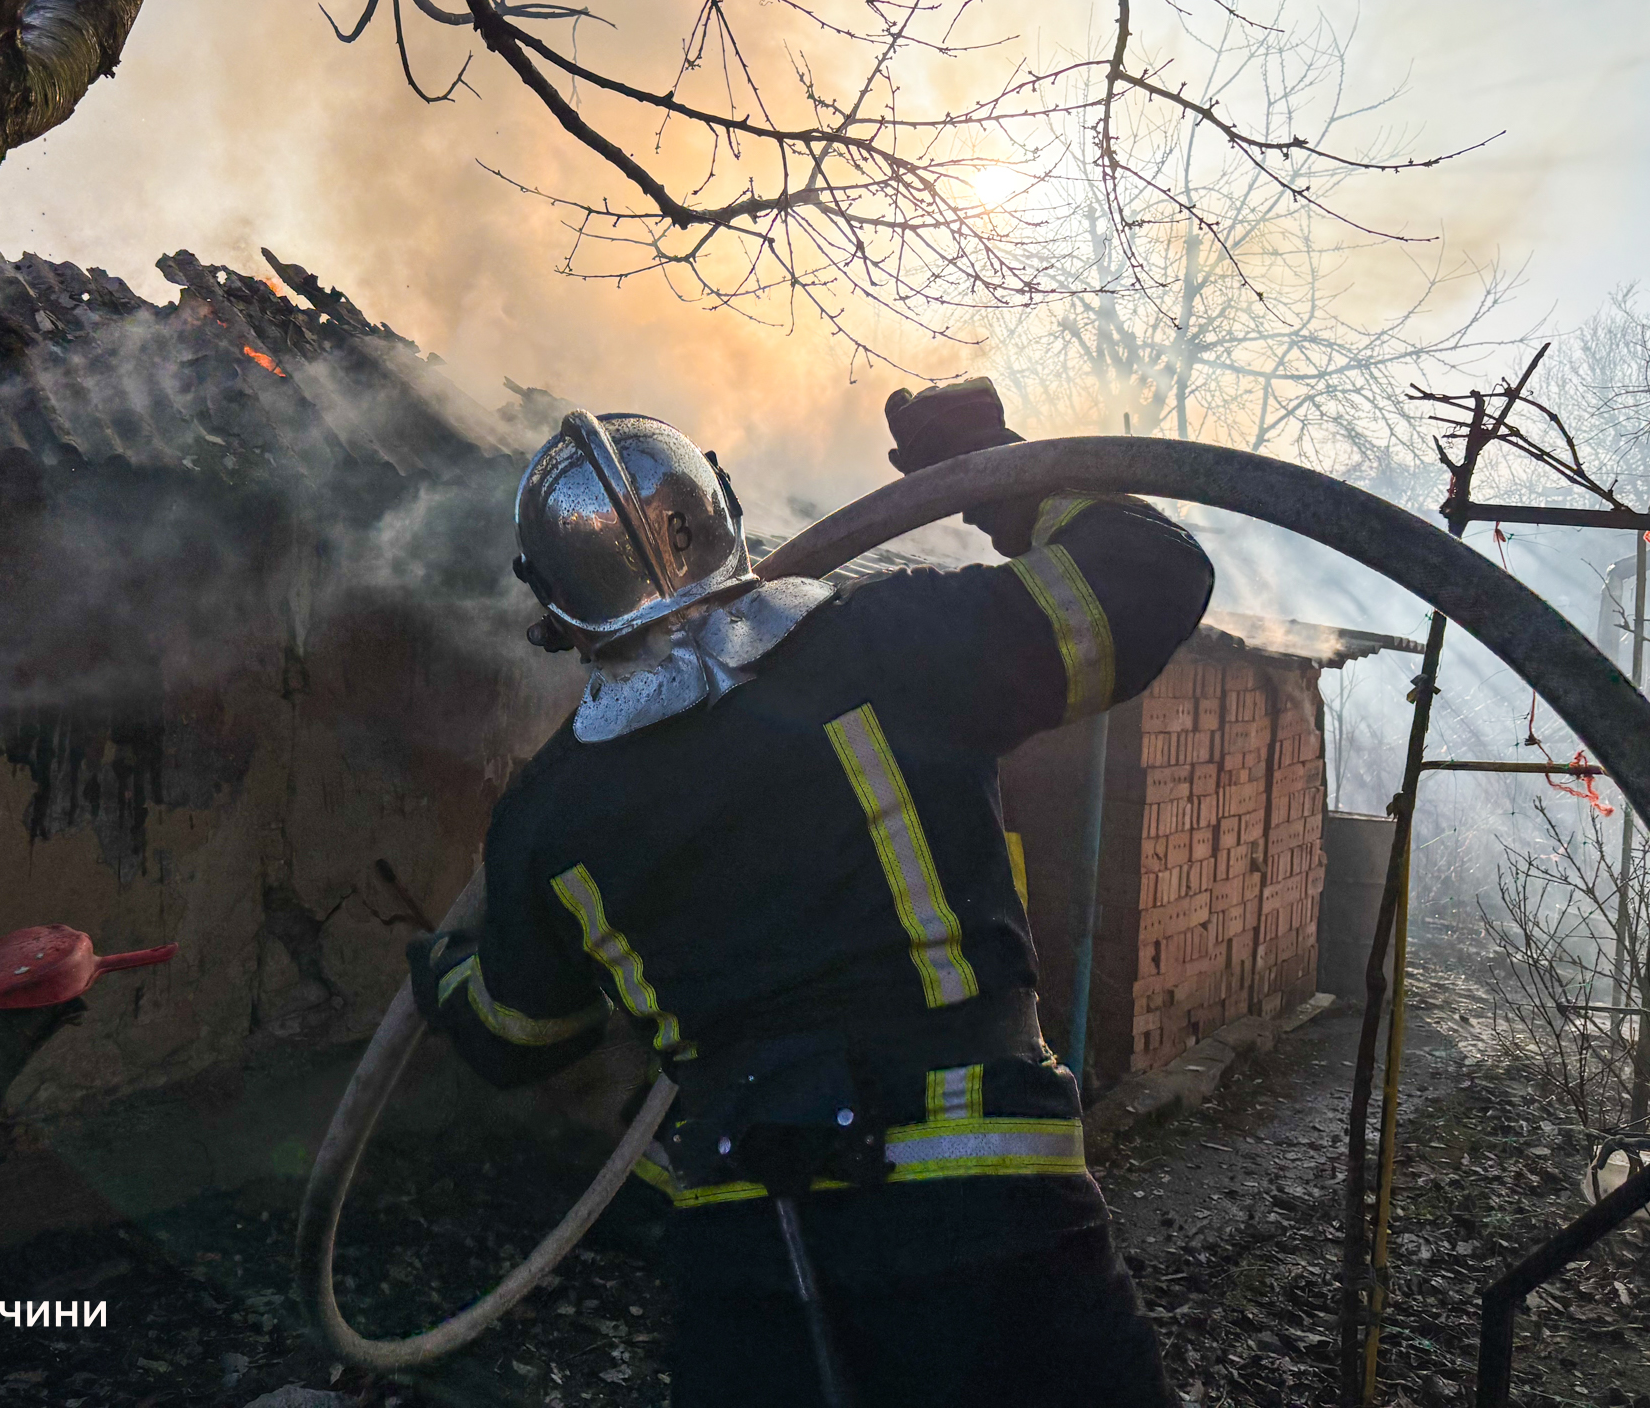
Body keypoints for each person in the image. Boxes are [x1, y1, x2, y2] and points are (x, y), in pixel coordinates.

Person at [407, 380, 1213, 1407]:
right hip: (991, 1232)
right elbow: (1146, 575)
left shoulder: (551, 814)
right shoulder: (890, 646)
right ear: (726, 516)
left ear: (554, 612)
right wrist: (996, 470)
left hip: (753, 1269)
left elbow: (516, 1034)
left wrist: (443, 976)